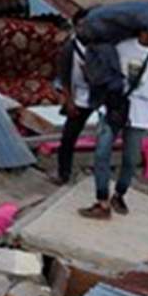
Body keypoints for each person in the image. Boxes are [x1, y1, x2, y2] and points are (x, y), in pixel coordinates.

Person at [80, 30, 148, 220]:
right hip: (114, 108)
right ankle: (102, 201)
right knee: (101, 153)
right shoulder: (123, 46)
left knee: (130, 159)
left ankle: (119, 195)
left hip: (141, 114)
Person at [51, 12, 95, 186]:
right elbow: (64, 77)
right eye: (82, 25)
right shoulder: (69, 49)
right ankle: (63, 173)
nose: (85, 29)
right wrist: (68, 100)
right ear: (76, 27)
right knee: (69, 137)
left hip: (98, 97)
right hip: (79, 98)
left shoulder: (99, 46)